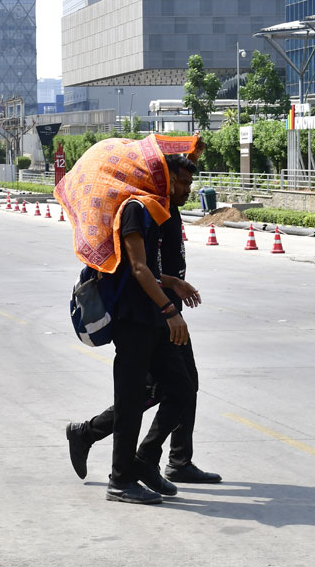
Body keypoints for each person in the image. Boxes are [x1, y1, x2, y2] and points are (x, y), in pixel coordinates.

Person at [66, 156, 221, 489]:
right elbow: (137, 269)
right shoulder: (136, 208)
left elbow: (151, 266)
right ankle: (121, 477)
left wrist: (172, 287)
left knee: (180, 387)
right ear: (162, 179)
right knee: (133, 399)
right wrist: (170, 309)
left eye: (190, 183)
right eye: (181, 182)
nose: (187, 190)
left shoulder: (160, 208)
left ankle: (146, 460)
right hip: (136, 316)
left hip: (157, 311)